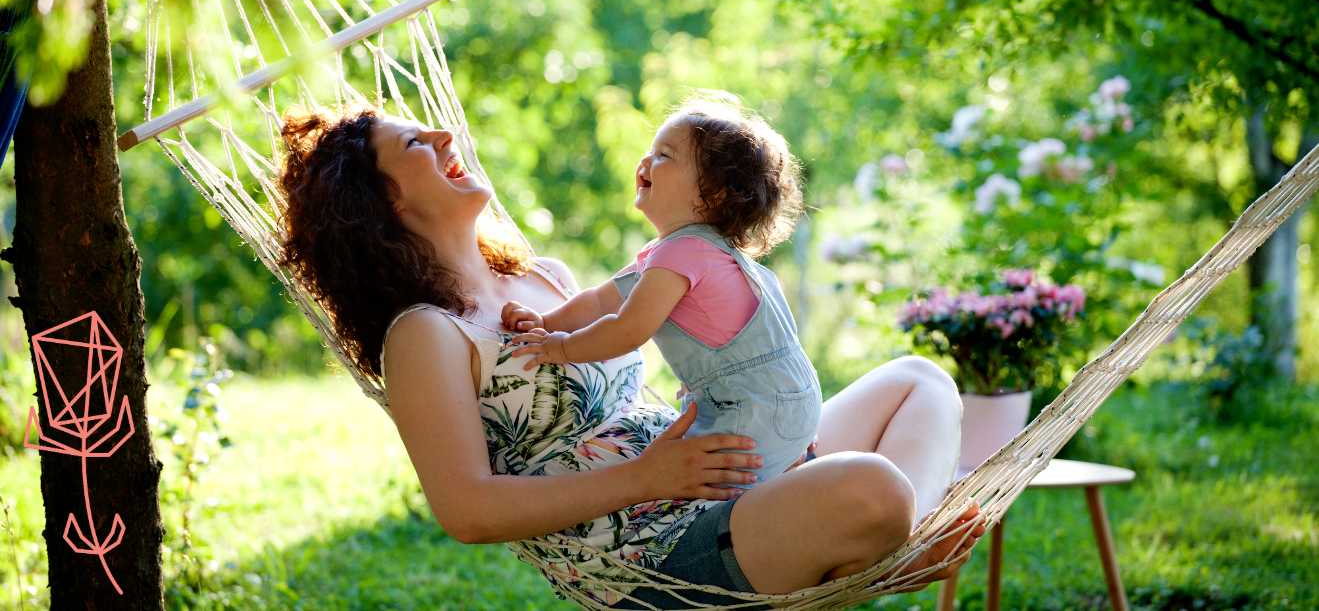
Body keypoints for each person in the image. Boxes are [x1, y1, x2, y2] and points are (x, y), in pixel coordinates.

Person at [275, 103, 985, 609]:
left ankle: (904, 539)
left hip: (715, 473)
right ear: (383, 201)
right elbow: (469, 511)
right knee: (871, 487)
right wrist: (648, 474)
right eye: (414, 145)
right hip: (653, 560)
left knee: (917, 380)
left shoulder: (543, 278)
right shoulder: (426, 333)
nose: (442, 132)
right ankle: (900, 538)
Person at [499, 95, 820, 488]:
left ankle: (782, 510)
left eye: (665, 155)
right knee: (710, 470)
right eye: (650, 151)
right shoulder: (693, 251)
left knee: (706, 491)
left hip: (755, 410)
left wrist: (561, 348)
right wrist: (547, 322)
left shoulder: (682, 252)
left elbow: (627, 330)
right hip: (782, 399)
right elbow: (602, 300)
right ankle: (793, 472)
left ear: (714, 194)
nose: (646, 162)